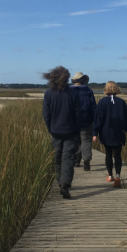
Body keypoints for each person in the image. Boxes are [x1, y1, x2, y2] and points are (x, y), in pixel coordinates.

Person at [42, 66, 81, 199]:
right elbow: (78, 114)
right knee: (68, 158)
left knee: (57, 158)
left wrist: (50, 128)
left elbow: (46, 115)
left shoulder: (48, 94)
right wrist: (78, 130)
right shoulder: (73, 93)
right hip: (71, 131)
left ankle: (60, 182)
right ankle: (65, 184)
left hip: (55, 131)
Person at [92, 81, 127, 188]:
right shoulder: (121, 102)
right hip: (119, 132)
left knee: (108, 154)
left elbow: (98, 119)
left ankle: (110, 176)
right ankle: (118, 175)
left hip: (106, 132)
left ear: (106, 89)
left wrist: (95, 133)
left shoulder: (102, 102)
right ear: (116, 89)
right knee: (118, 154)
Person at [70, 71, 97, 171]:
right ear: (82, 80)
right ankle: (86, 160)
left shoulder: (69, 91)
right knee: (86, 140)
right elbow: (93, 107)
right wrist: (95, 120)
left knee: (75, 140)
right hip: (86, 119)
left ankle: (76, 160)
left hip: (72, 121)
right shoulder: (88, 91)